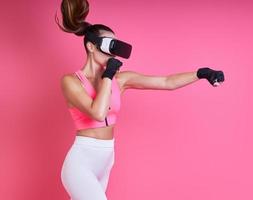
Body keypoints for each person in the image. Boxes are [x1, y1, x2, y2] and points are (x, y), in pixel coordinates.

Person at [55, 0, 225, 199]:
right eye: (110, 45)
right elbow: (98, 112)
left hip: (106, 158)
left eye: (115, 47)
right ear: (91, 47)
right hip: (81, 161)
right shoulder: (71, 81)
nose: (113, 52)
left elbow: (166, 82)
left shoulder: (121, 79)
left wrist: (200, 73)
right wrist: (108, 75)